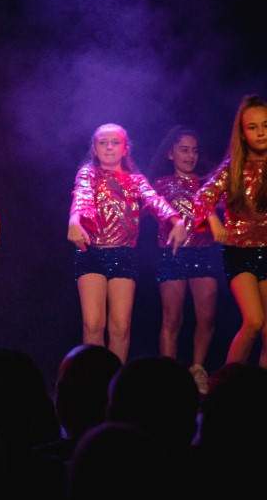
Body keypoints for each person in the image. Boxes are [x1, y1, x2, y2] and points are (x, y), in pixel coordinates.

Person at [67, 122, 186, 361]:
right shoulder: (88, 173)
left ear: (125, 149)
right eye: (103, 143)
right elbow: (81, 196)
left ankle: (115, 379)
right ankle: (93, 377)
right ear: (94, 148)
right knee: (93, 324)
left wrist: (176, 220)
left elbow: (154, 200)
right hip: (91, 252)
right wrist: (74, 220)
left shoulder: (135, 179)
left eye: (115, 143)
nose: (109, 147)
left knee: (120, 327)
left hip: (123, 255)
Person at [193, 95, 267, 367]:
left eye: (266, 126)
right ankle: (225, 385)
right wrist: (213, 221)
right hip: (239, 253)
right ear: (243, 133)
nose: (261, 133)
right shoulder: (234, 167)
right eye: (253, 127)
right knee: (254, 321)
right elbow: (202, 197)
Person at [150, 125, 219, 392]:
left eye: (194, 151)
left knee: (207, 316)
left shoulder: (207, 184)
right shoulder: (159, 184)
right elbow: (145, 208)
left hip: (202, 252)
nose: (190, 156)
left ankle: (198, 369)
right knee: (172, 318)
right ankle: (168, 376)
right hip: (172, 254)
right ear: (171, 153)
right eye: (184, 150)